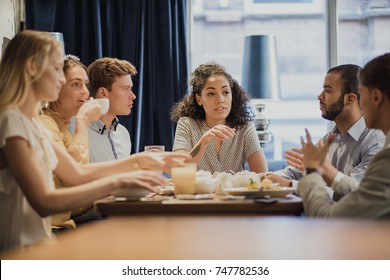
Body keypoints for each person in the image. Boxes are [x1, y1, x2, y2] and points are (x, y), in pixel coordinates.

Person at [0, 30, 189, 254]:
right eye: (56, 69)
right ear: (32, 67)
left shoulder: (31, 124)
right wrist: (117, 182)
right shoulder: (11, 121)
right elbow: (44, 201)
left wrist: (141, 160)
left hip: (42, 246)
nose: (61, 79)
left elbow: (78, 173)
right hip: (21, 253)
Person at [268, 64, 385, 201]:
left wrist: (290, 185)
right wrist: (262, 177)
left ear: (350, 99)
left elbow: (355, 195)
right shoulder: (330, 139)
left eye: (328, 91)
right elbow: (296, 172)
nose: (319, 96)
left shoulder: (375, 143)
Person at [298, 53, 390, 218]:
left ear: (376, 97)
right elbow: (363, 194)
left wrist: (312, 172)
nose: (359, 104)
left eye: (362, 94)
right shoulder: (331, 137)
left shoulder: (385, 156)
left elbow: (327, 217)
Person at [39, 55, 102, 229]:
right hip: (49, 229)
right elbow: (75, 177)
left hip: (66, 223)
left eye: (85, 84)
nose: (85, 92)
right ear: (55, 88)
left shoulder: (63, 128)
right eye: (76, 84)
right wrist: (83, 121)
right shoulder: (45, 123)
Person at [170, 62, 268, 174]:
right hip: (198, 192)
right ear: (199, 99)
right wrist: (204, 140)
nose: (220, 99)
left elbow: (263, 175)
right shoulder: (186, 124)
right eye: (211, 94)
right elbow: (180, 170)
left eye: (225, 92)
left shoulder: (245, 129)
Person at [70, 57, 136, 163]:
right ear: (103, 93)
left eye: (131, 88)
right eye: (125, 89)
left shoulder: (123, 133)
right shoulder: (73, 130)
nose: (133, 96)